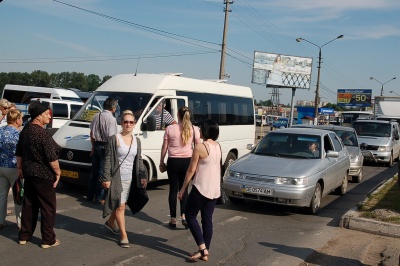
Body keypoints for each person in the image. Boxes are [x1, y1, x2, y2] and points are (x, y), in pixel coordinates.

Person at [16, 102, 61, 248]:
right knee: (48, 207)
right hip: (43, 174)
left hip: (29, 172)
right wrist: (58, 172)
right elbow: (51, 158)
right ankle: (48, 239)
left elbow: (19, 152)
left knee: (29, 205)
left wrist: (20, 168)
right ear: (40, 115)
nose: (50, 115)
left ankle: (24, 236)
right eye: (47, 113)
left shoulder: (26, 130)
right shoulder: (42, 133)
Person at [101, 110, 147, 248]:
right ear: (121, 123)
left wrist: (142, 175)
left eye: (131, 122)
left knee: (122, 204)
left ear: (134, 124)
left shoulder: (137, 141)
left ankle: (110, 222)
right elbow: (108, 159)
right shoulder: (114, 139)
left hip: (130, 179)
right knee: (120, 206)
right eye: (125, 121)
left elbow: (139, 159)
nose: (128, 124)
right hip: (117, 178)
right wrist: (106, 178)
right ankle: (124, 235)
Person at [178, 119, 221, 261]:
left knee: (189, 215)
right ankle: (204, 252)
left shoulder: (200, 147)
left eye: (201, 129)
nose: (199, 131)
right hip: (214, 190)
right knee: (207, 220)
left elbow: (191, 170)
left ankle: (202, 248)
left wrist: (183, 189)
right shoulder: (218, 146)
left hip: (201, 188)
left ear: (205, 130)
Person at [159, 106, 201, 229]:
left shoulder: (170, 128)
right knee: (184, 189)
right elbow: (198, 147)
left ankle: (173, 218)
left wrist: (162, 162)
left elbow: (164, 147)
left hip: (173, 161)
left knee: (173, 189)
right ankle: (184, 215)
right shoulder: (193, 129)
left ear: (177, 115)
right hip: (187, 162)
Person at [88, 98, 118, 204]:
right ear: (113, 108)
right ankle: (99, 197)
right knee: (103, 172)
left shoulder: (97, 116)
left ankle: (90, 194)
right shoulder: (112, 119)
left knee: (94, 172)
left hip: (96, 144)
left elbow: (91, 134)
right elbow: (111, 137)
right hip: (106, 146)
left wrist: (93, 146)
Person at [0, 109, 23, 229]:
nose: (22, 121)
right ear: (16, 120)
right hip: (14, 167)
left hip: (1, 165)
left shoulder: (0, 130)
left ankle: (0, 220)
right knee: (18, 195)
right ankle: (20, 223)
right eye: (21, 118)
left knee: (2, 195)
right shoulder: (18, 134)